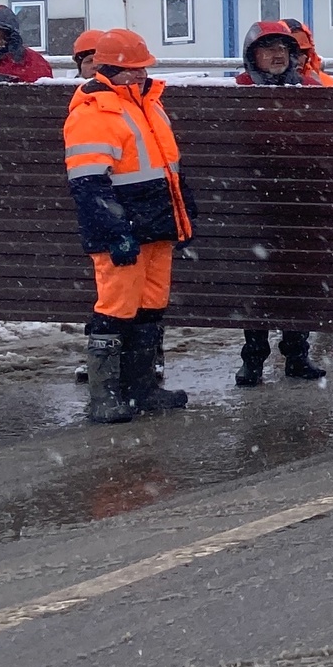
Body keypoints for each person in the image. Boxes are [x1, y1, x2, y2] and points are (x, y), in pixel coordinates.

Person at [64, 29, 192, 423]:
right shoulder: (93, 113)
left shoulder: (149, 106)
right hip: (124, 232)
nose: (138, 77)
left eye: (141, 69)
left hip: (156, 228)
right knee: (115, 310)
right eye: (129, 71)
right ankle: (104, 397)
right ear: (106, 70)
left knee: (151, 307)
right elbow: (88, 184)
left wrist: (184, 222)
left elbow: (170, 172)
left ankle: (142, 390)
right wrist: (117, 232)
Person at [229, 21, 328, 385]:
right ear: (252, 55)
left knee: (299, 282)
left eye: (283, 49)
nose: (276, 55)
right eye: (268, 48)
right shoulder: (237, 91)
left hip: (302, 203)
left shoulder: (311, 89)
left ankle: (297, 355)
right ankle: (253, 358)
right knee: (258, 283)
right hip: (255, 205)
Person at [281, 18, 333, 87]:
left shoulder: (325, 82)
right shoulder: (267, 85)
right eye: (295, 53)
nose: (304, 57)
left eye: (305, 52)